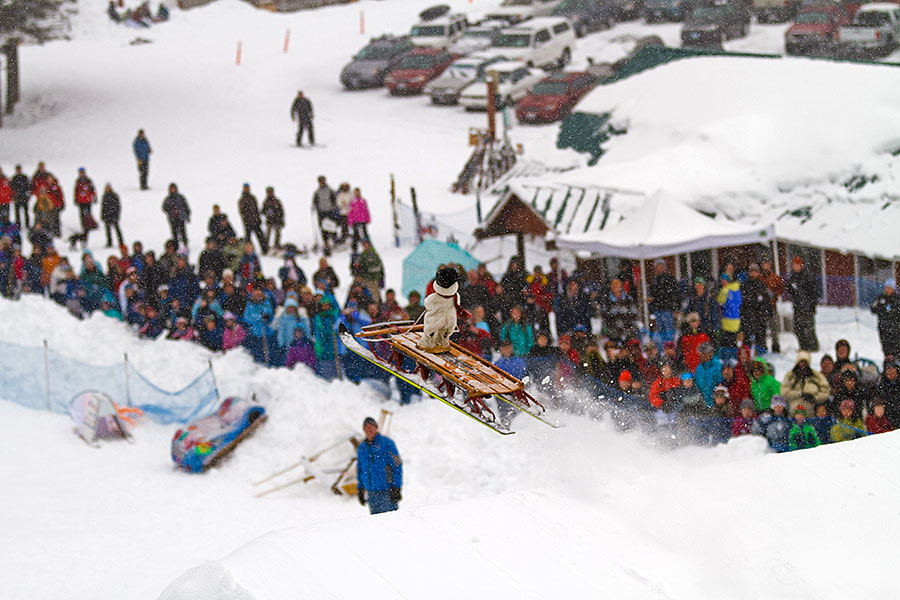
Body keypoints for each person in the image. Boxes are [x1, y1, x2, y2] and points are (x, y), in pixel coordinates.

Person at [356, 416, 402, 515]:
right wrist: (360, 489)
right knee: (377, 525)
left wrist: (396, 487)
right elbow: (360, 469)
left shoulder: (387, 443)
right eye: (367, 427)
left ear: (376, 428)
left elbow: (397, 465)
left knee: (391, 522)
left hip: (387, 491)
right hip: (372, 494)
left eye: (372, 426)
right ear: (364, 429)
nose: (369, 429)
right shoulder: (362, 448)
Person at [418, 266, 464, 353]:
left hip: (435, 320)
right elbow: (458, 304)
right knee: (445, 334)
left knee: (431, 333)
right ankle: (443, 344)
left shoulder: (433, 298)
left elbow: (427, 304)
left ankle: (428, 344)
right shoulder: (456, 296)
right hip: (449, 321)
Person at [781, 351, 830, 415]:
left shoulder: (817, 376)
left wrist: (814, 398)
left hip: (811, 414)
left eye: (805, 362)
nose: (803, 364)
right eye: (801, 362)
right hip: (794, 413)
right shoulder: (790, 376)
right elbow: (784, 392)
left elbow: (825, 392)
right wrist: (799, 393)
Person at [787, 255, 819, 351]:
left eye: (797, 265)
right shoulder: (793, 277)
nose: (795, 267)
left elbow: (814, 292)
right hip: (797, 307)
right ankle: (803, 347)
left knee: (809, 329)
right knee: (798, 329)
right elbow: (790, 290)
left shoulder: (807, 276)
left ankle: (813, 348)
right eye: (794, 265)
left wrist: (812, 305)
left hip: (807, 307)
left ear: (801, 265)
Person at [647, 259, 679, 351]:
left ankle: (670, 349)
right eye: (657, 267)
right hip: (658, 310)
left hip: (667, 309)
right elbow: (654, 294)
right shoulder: (654, 280)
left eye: (660, 266)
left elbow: (671, 294)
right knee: (660, 332)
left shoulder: (669, 279)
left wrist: (675, 308)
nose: (659, 268)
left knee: (668, 332)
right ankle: (663, 350)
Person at [740, 263, 772, 354]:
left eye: (755, 272)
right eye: (751, 271)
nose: (753, 274)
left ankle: (761, 359)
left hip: (760, 319)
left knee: (761, 341)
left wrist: (765, 315)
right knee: (747, 342)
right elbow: (741, 303)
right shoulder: (744, 286)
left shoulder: (762, 285)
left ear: (758, 273)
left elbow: (767, 302)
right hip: (747, 318)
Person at [871, 279, 900, 358]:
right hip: (884, 328)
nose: (888, 290)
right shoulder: (880, 298)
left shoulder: (897, 299)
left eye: (890, 288)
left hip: (896, 329)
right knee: (886, 349)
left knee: (896, 349)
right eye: (887, 287)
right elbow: (873, 309)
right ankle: (888, 364)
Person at [759, 258, 784, 353]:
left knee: (774, 327)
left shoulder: (775, 277)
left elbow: (781, 288)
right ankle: (763, 346)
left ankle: (775, 345)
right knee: (763, 328)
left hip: (772, 306)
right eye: (764, 264)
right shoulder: (760, 278)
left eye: (767, 264)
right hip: (761, 307)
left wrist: (774, 294)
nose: (766, 266)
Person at [716, 273, 742, 360]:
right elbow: (740, 302)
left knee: (726, 343)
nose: (722, 282)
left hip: (727, 320)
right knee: (733, 342)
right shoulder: (737, 289)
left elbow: (720, 302)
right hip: (736, 319)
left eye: (723, 280)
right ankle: (734, 358)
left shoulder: (725, 290)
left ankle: (727, 360)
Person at [237, 183, 268, 254]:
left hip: (255, 221)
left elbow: (256, 209)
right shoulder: (242, 200)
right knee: (248, 239)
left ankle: (265, 250)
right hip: (248, 223)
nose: (246, 189)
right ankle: (249, 252)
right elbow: (242, 212)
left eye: (247, 188)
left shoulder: (252, 198)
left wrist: (258, 218)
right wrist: (246, 221)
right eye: (245, 188)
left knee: (261, 236)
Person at [312, 176, 337, 254]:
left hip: (330, 211)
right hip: (321, 212)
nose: (321, 182)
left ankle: (333, 241)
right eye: (320, 181)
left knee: (331, 226)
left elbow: (334, 199)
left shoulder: (330, 190)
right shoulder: (317, 192)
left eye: (322, 180)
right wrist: (314, 207)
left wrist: (334, 208)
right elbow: (315, 201)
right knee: (323, 228)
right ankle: (325, 243)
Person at [347, 187, 371, 255]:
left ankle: (368, 247)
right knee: (356, 235)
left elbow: (366, 210)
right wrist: (350, 221)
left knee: (365, 234)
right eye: (356, 193)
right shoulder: (352, 201)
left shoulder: (363, 201)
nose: (357, 194)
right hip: (355, 220)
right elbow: (350, 212)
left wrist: (367, 219)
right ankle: (354, 248)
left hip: (362, 220)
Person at [261, 186, 284, 252]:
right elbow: (263, 211)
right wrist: (266, 212)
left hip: (277, 220)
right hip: (269, 221)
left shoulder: (277, 201)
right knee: (268, 234)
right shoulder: (265, 202)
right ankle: (266, 246)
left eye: (271, 192)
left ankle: (277, 244)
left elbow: (281, 210)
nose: (270, 193)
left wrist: (282, 219)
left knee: (278, 233)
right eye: (269, 192)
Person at [100, 184, 123, 248]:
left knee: (117, 229)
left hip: (113, 215)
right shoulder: (104, 196)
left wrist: (116, 214)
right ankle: (109, 242)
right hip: (107, 215)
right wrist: (102, 215)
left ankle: (121, 242)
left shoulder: (114, 196)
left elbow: (118, 205)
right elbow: (103, 207)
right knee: (108, 231)